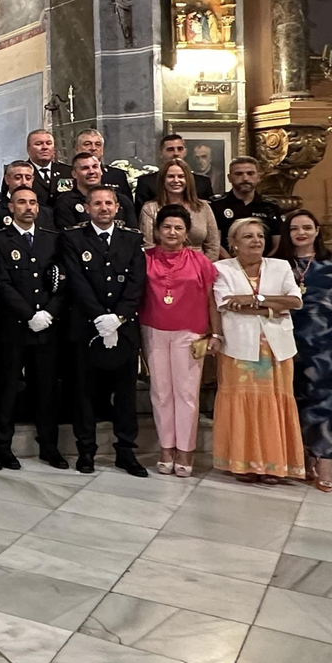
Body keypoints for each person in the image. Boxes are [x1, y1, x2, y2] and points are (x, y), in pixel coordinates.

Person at [60, 186, 148, 475]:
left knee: (125, 394)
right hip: (86, 327)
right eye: (97, 203)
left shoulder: (132, 239)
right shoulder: (73, 238)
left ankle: (125, 451)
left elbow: (137, 283)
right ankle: (86, 450)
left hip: (124, 329)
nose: (103, 208)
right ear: (87, 208)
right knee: (84, 392)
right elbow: (76, 280)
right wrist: (100, 318)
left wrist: (119, 318)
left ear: (118, 207)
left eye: (109, 202)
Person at [213, 217, 305, 483]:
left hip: (277, 348)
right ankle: (245, 464)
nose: (256, 241)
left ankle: (275, 465)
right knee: (243, 403)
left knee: (275, 404)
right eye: (248, 236)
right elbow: (227, 304)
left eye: (260, 236)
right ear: (233, 243)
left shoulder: (280, 266)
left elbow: (295, 300)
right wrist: (273, 308)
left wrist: (256, 300)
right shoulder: (221, 269)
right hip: (239, 347)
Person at [278, 209, 332, 492]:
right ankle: (304, 458)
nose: (301, 233)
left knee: (329, 403)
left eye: (307, 227)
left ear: (317, 230)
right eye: (294, 228)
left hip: (327, 341)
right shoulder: (278, 263)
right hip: (287, 341)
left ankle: (325, 464)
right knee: (296, 399)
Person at [140, 204, 220, 478]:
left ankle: (185, 450)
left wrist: (216, 333)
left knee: (186, 394)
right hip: (153, 330)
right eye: (166, 227)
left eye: (178, 228)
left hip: (190, 332)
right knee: (161, 392)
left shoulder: (200, 262)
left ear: (187, 232)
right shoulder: (144, 259)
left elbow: (212, 301)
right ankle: (166, 448)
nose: (172, 232)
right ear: (157, 230)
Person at [0, 185, 65, 469]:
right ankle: (2, 446)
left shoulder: (52, 239)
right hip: (13, 328)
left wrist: (48, 313)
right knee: (7, 388)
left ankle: (49, 446)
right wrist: (28, 314)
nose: (28, 207)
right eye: (21, 202)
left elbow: (62, 281)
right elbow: (1, 283)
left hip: (46, 327)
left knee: (46, 389)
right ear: (11, 207)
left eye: (33, 202)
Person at [140, 163, 221, 258]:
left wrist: (204, 267)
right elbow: (148, 246)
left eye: (181, 176)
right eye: (170, 176)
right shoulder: (149, 208)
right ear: (163, 180)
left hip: (200, 266)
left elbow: (213, 246)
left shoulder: (203, 207)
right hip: (162, 266)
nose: (176, 180)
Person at [211, 158, 284, 253]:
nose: (245, 178)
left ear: (258, 177)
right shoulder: (216, 204)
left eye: (250, 173)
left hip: (265, 263)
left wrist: (263, 264)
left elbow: (278, 243)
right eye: (239, 174)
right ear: (229, 178)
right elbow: (214, 242)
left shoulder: (270, 206)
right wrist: (233, 265)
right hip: (226, 264)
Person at [55, 151, 138, 230]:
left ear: (101, 171)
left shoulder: (122, 200)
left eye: (95, 167)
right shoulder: (65, 203)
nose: (91, 171)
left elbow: (134, 236)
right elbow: (67, 238)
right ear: (74, 174)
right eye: (85, 168)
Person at [135, 133, 214, 207]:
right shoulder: (146, 183)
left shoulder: (203, 183)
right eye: (170, 149)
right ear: (160, 154)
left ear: (185, 152)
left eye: (180, 149)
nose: (176, 153)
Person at [72, 128, 134, 200]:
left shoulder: (117, 176)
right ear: (76, 149)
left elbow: (128, 206)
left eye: (98, 144)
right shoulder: (67, 174)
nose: (93, 148)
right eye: (87, 144)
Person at [22, 128, 72, 202]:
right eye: (38, 144)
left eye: (49, 143)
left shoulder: (68, 172)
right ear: (28, 149)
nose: (45, 147)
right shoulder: (20, 173)